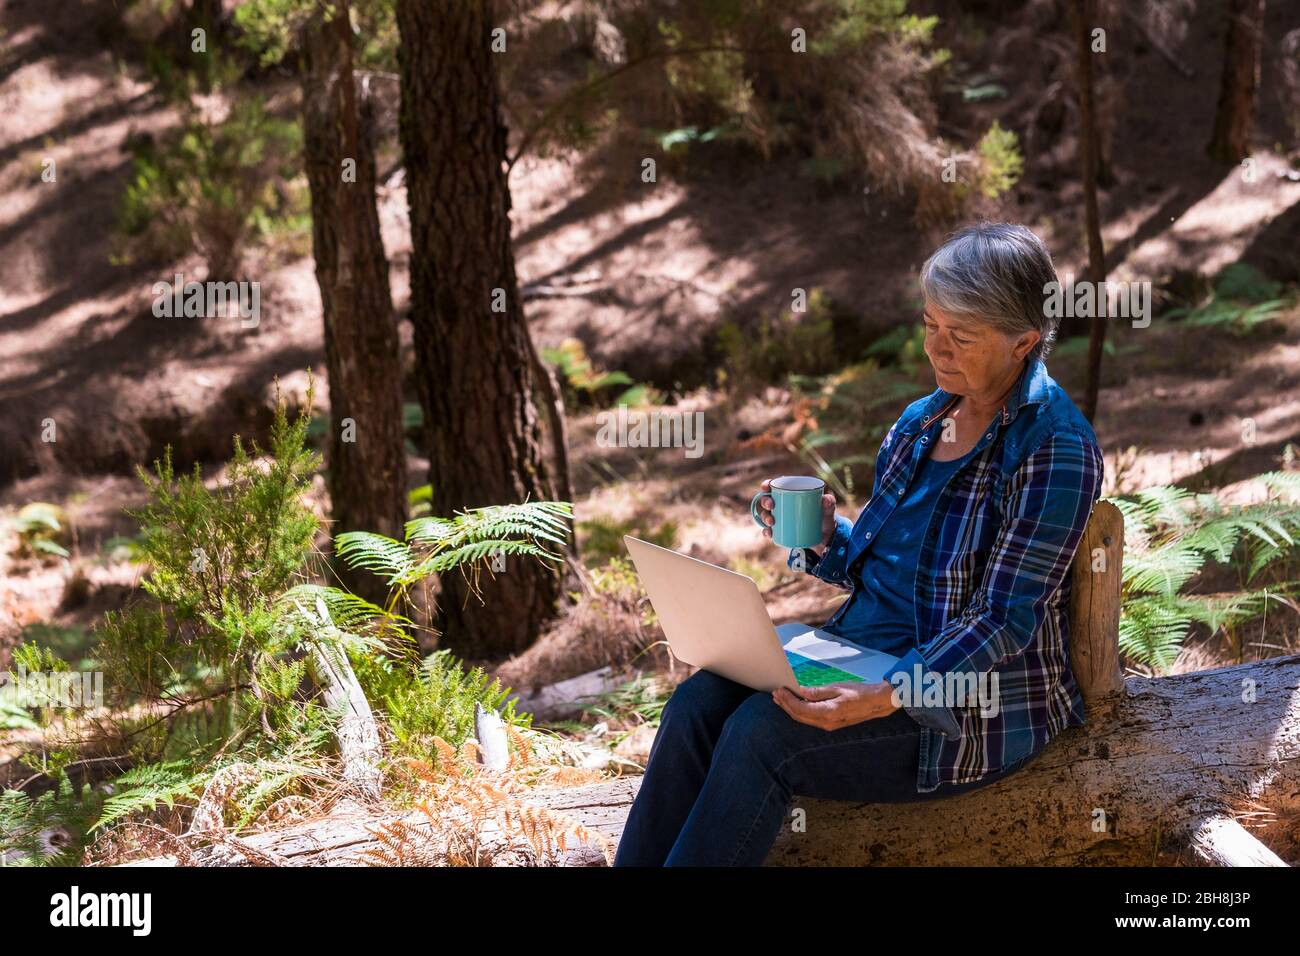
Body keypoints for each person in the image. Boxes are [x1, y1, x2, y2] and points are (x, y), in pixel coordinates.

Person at [613, 221, 1106, 866]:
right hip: (857, 658)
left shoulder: (1054, 449)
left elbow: (1003, 622)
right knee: (697, 703)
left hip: (963, 708)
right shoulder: (923, 421)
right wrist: (822, 537)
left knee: (761, 735)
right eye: (930, 323)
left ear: (1025, 341)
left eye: (961, 336)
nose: (937, 348)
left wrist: (891, 692)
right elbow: (879, 571)